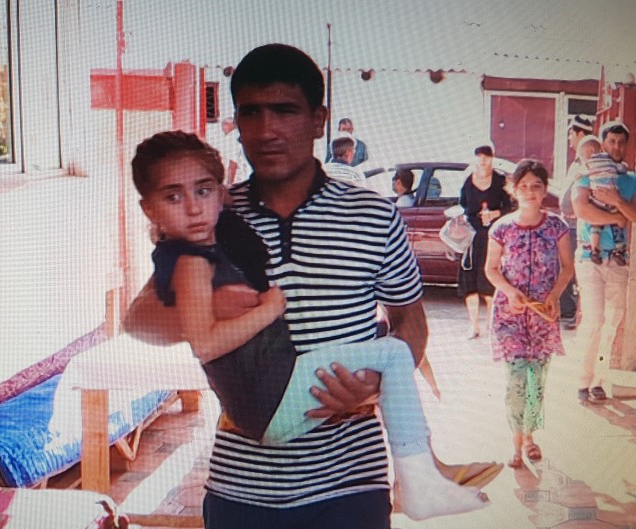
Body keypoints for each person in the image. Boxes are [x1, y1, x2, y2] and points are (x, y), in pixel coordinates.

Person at [124, 44, 501, 529]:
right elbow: (138, 320)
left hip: (351, 482)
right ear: (237, 122)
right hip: (243, 481)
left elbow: (411, 323)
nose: (267, 130)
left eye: (285, 110)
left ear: (319, 120)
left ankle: (419, 477)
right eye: (251, 112)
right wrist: (212, 307)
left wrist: (372, 386)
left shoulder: (373, 215)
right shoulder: (213, 212)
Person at [485, 159, 574, 469]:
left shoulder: (557, 227)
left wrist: (554, 295)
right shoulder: (501, 228)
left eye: (536, 186)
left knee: (537, 380)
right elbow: (491, 269)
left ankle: (530, 436)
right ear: (513, 190)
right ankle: (516, 442)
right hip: (509, 316)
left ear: (545, 190)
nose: (530, 192)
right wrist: (511, 292)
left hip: (543, 316)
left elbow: (567, 268)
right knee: (516, 380)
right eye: (523, 186)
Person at [572, 120, 636, 403]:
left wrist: (617, 200)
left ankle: (599, 380)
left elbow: (634, 215)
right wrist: (616, 217)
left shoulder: (630, 180)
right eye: (611, 141)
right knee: (595, 319)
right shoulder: (587, 174)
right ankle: (582, 381)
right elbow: (582, 209)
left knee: (612, 321)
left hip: (618, 260)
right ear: (603, 143)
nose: (616, 147)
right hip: (591, 257)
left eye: (621, 142)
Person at [458, 145, 513, 339]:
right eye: (479, 157)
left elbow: (510, 207)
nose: (483, 161)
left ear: (492, 158)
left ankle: (491, 324)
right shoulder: (468, 180)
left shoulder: (499, 180)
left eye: (486, 157)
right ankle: (473, 326)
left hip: (493, 235)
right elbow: (463, 205)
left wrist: (495, 214)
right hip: (472, 236)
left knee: (490, 281)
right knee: (470, 282)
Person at [558, 114, 593, 329]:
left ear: (580, 134)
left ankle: (573, 313)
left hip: (576, 224)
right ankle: (568, 312)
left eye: (571, 134)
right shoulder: (577, 162)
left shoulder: (587, 162)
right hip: (568, 223)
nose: (569, 139)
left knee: (573, 269)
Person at [577, 141, 629, 266]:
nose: (582, 159)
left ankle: (594, 250)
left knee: (596, 224)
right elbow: (621, 168)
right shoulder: (610, 160)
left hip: (598, 199)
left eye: (582, 155)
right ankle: (619, 251)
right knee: (618, 226)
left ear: (590, 150)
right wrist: (624, 169)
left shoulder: (589, 164)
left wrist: (578, 175)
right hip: (612, 198)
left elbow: (582, 173)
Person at [213, 117, 250, 185]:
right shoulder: (237, 135)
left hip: (236, 180)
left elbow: (233, 162)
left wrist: (229, 183)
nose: (222, 128)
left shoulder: (232, 137)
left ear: (232, 125)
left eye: (225, 124)